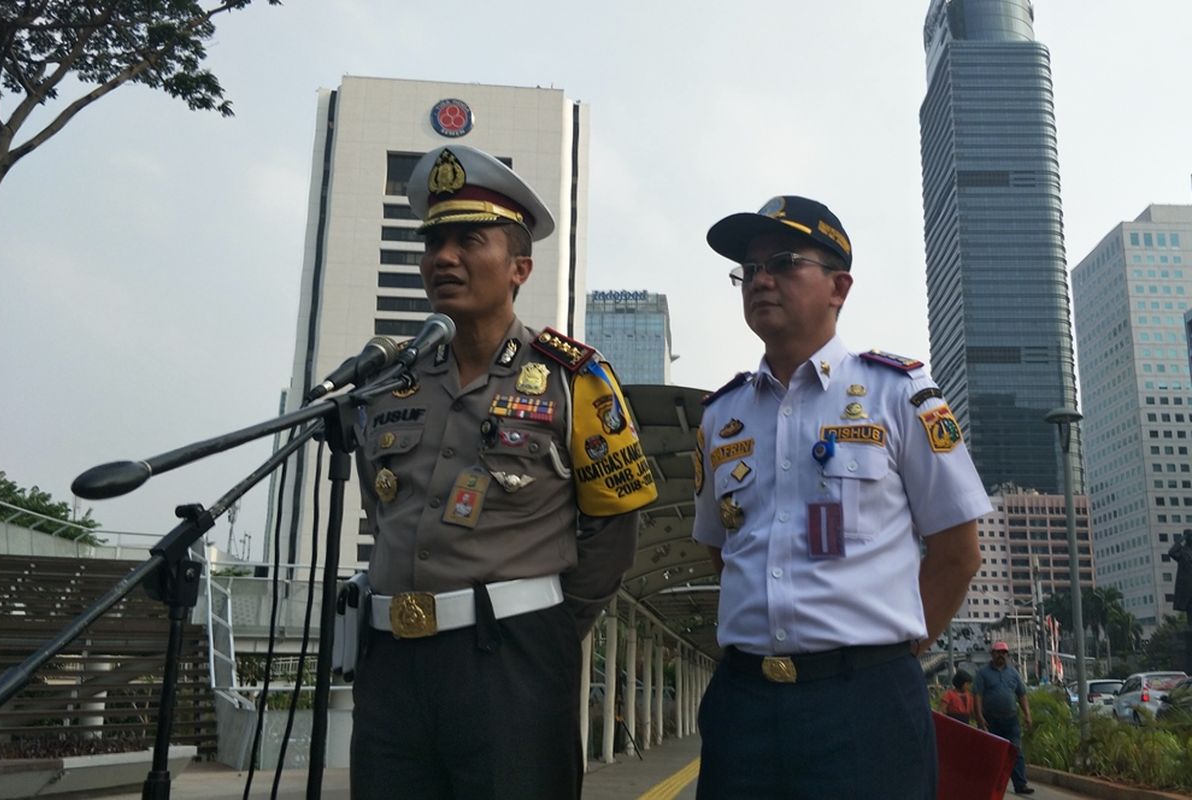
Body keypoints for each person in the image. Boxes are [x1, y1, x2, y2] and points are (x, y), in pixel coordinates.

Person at [348, 144, 657, 799]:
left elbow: (613, 529)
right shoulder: (388, 382)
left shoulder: (575, 379)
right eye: (433, 242)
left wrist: (534, 623)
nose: (444, 257)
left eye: (468, 239)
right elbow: (383, 509)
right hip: (391, 664)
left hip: (511, 658)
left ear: (520, 266)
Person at [691, 195, 990, 799]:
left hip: (865, 703)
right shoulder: (722, 416)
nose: (761, 280)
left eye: (782, 262)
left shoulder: (898, 394)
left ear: (839, 287)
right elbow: (721, 550)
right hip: (743, 705)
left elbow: (957, 550)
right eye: (748, 270)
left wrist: (890, 655)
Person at [973, 641, 1035, 796]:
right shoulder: (983, 673)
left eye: (1004, 653)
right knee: (992, 753)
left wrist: (1027, 714)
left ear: (1007, 655)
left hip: (1010, 720)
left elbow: (1021, 695)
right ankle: (989, 785)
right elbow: (978, 696)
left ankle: (1020, 784)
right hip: (991, 720)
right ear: (992, 654)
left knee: (1016, 751)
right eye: (998, 652)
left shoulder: (1013, 673)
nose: (1001, 655)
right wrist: (980, 717)